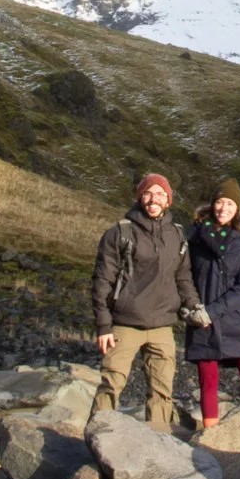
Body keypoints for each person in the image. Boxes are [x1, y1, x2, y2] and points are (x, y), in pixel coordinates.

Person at [91, 172, 202, 430]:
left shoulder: (177, 235)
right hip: (124, 324)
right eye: (148, 193)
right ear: (140, 197)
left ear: (168, 200)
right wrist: (104, 325)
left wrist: (195, 307)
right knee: (111, 383)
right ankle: (96, 436)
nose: (154, 199)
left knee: (162, 391)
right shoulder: (120, 233)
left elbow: (183, 277)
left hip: (162, 325)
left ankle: (159, 440)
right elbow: (102, 280)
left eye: (160, 194)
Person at [185, 178, 240, 429]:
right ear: (212, 205)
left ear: (237, 208)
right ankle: (210, 436)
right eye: (220, 202)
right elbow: (184, 275)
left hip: (236, 318)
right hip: (202, 320)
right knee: (207, 382)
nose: (223, 208)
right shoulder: (195, 235)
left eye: (230, 203)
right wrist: (190, 306)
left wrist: (213, 311)